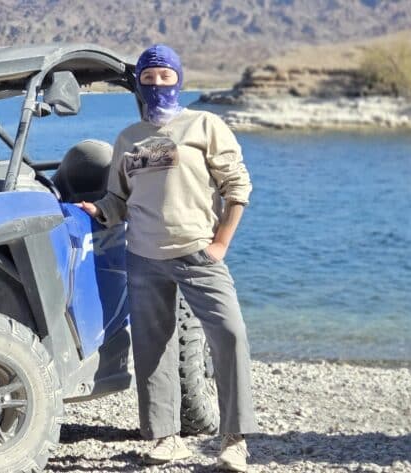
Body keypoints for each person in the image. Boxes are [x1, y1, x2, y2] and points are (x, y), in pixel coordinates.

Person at [76, 44, 258, 472]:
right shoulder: (127, 138)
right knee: (153, 348)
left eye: (165, 75)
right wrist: (101, 211)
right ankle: (165, 437)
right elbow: (119, 198)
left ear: (179, 79)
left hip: (198, 253)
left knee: (230, 334)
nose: (157, 84)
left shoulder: (205, 124)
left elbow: (238, 189)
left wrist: (220, 245)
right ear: (139, 82)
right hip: (142, 256)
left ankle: (234, 440)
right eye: (149, 77)